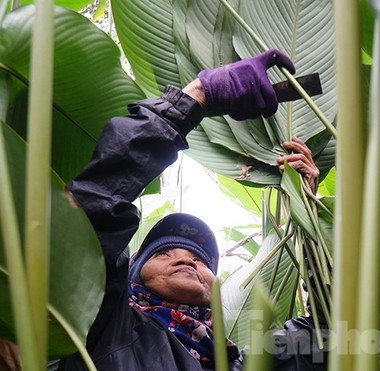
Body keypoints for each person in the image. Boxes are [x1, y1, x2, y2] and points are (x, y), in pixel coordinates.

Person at [57, 49, 327, 371]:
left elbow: (332, 332)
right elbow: (94, 207)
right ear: (132, 275)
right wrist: (197, 97)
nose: (185, 258)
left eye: (199, 259)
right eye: (164, 253)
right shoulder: (101, 324)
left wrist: (308, 210)